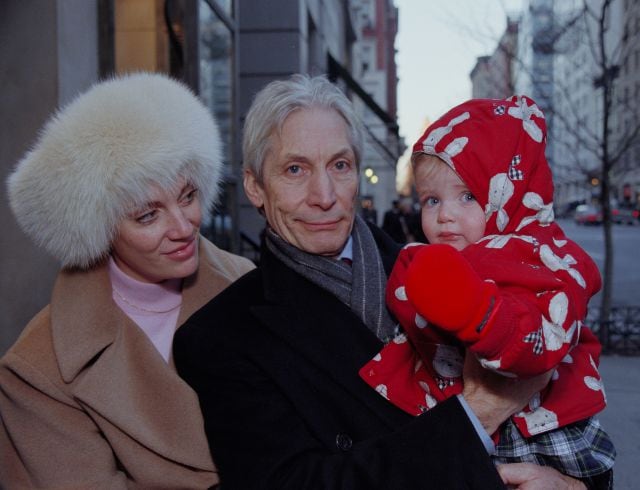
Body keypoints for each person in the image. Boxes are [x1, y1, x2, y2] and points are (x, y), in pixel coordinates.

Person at [173, 74, 587, 489]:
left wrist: (573, 485)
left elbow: (572, 420)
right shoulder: (220, 338)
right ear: (255, 187)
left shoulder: (455, 268)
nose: (324, 194)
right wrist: (478, 411)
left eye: (340, 165)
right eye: (295, 169)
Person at [0, 72, 255, 488]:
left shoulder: (249, 285)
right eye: (147, 215)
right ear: (98, 228)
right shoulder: (39, 369)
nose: (183, 226)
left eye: (188, 196)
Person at [360, 96, 615, 489]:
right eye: (431, 200)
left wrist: (481, 315)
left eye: (467, 196)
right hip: (455, 426)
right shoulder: (430, 259)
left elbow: (546, 331)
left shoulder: (542, 256)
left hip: (540, 430)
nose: (445, 214)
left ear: (507, 195)